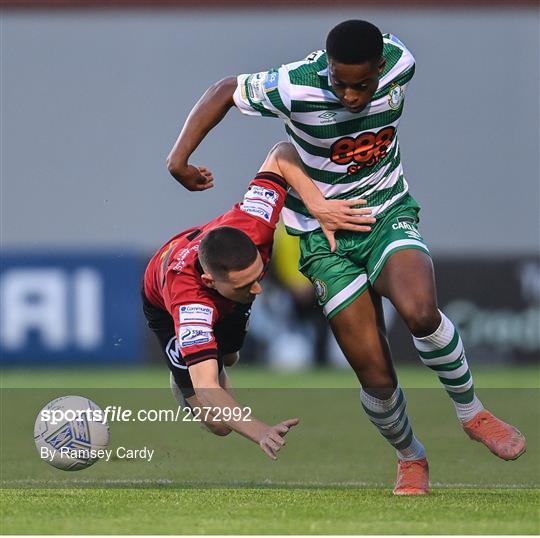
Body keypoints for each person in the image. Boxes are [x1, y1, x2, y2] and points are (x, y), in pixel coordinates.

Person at [165, 20, 526, 494]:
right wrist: (179, 159)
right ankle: (411, 457)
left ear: (382, 68)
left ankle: (473, 412)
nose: (351, 96)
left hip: (385, 212)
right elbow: (226, 89)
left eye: (362, 85)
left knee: (420, 311)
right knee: (374, 372)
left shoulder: (402, 63)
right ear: (327, 66)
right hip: (322, 237)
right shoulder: (295, 84)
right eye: (340, 82)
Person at [143, 141, 374, 460]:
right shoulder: (190, 304)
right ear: (211, 283)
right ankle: (186, 363)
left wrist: (317, 204)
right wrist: (259, 430)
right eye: (246, 285)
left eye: (257, 276)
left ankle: (207, 353)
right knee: (219, 423)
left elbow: (281, 153)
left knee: (230, 357)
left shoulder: (256, 220)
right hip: (163, 298)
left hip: (217, 269)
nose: (258, 290)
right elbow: (209, 388)